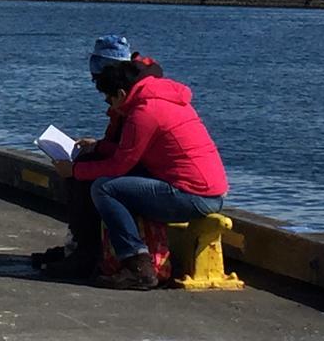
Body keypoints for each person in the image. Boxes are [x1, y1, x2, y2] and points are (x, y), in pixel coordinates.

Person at [52, 59, 228, 290]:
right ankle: (119, 257)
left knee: (104, 188)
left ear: (122, 93)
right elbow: (133, 151)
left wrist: (74, 170)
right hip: (209, 191)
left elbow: (118, 166)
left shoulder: (143, 113)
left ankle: (137, 265)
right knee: (110, 182)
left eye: (109, 99)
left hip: (192, 196)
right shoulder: (164, 101)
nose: (110, 106)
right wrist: (97, 147)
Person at [38, 35, 163, 279]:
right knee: (86, 163)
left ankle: (88, 251)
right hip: (145, 162)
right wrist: (98, 146)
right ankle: (78, 246)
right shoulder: (139, 85)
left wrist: (76, 170)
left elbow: (123, 158)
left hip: (151, 170)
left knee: (91, 178)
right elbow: (122, 140)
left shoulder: (137, 100)